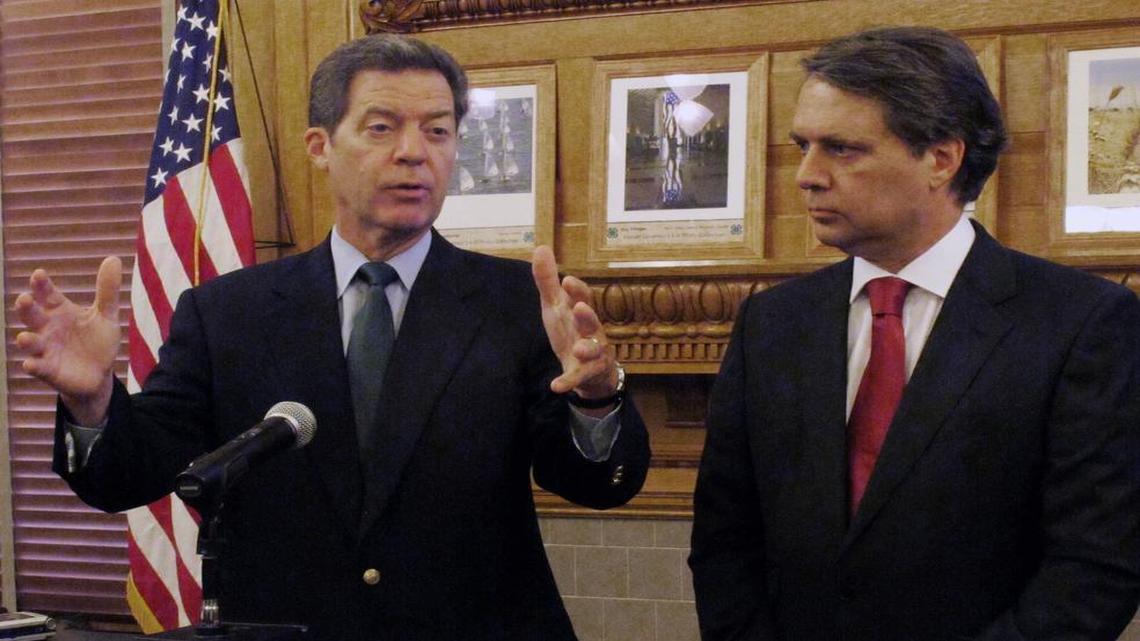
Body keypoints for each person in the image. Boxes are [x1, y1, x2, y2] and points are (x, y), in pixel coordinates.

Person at [14, 34, 649, 641]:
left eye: (438, 130)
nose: (413, 152)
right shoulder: (228, 312)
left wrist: (596, 399)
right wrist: (93, 403)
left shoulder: (516, 303)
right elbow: (134, 475)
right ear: (319, 145)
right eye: (382, 127)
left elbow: (597, 484)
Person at [689, 26, 1140, 641]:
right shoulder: (773, 323)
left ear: (941, 158)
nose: (807, 175)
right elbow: (724, 541)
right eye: (803, 146)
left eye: (842, 149)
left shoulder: (1080, 323)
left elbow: (1094, 569)